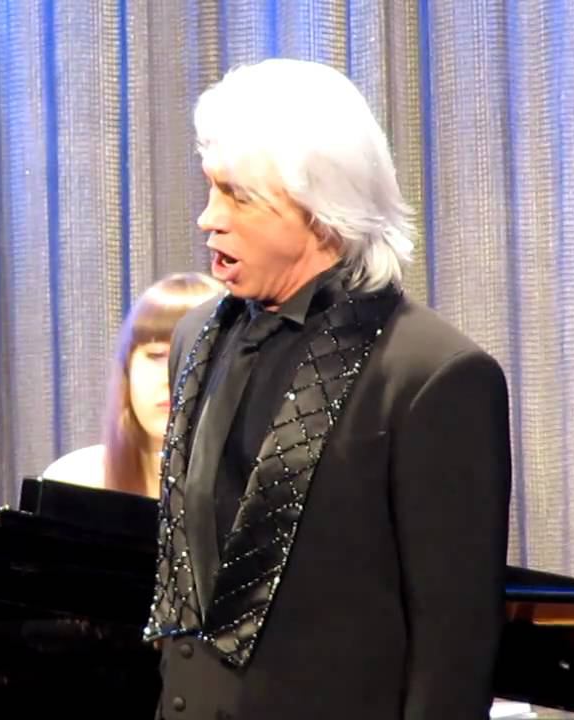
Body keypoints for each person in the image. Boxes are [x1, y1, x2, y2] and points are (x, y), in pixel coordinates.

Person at [143, 58, 512, 720]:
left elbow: (453, 652)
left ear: (323, 210)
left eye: (238, 196)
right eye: (210, 189)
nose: (208, 218)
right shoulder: (198, 338)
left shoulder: (433, 376)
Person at [42, 272, 223, 497]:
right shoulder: (75, 480)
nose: (170, 378)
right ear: (127, 368)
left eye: (192, 359)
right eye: (156, 356)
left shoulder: (254, 494)